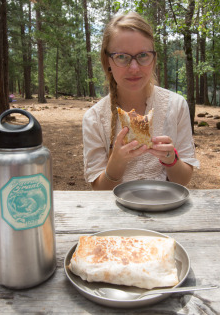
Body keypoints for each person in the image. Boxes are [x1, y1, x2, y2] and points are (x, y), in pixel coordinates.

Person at [82, 12, 199, 190]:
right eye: (122, 57)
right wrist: (116, 164)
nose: (134, 68)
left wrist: (171, 159)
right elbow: (99, 189)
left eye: (143, 55)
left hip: (164, 208)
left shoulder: (176, 106)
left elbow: (183, 180)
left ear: (154, 58)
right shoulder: (94, 118)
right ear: (108, 61)